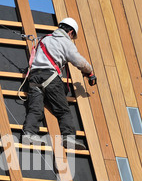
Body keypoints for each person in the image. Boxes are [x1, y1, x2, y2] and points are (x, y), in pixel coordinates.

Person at [23, 17, 95, 150]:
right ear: (70, 32)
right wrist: (90, 72)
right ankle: (69, 138)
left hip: (34, 78)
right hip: (50, 78)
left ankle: (29, 134)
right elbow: (79, 62)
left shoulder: (45, 38)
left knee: (35, 108)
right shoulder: (66, 42)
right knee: (63, 111)